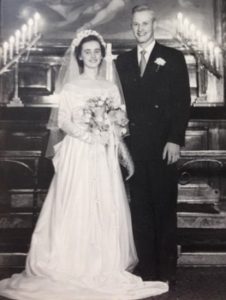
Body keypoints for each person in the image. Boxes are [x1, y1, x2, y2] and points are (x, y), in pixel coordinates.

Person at [0, 30, 168, 299]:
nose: (92, 56)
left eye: (96, 52)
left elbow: (119, 120)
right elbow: (64, 121)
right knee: (76, 203)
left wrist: (110, 129)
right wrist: (88, 134)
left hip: (102, 154)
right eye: (87, 52)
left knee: (105, 203)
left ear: (103, 55)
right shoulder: (71, 87)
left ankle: (105, 263)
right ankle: (70, 263)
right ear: (79, 55)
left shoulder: (110, 87)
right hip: (79, 151)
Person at [116, 5, 191, 286]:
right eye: (136, 24)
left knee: (164, 207)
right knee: (140, 210)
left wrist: (175, 139)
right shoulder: (121, 62)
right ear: (131, 26)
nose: (140, 29)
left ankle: (167, 269)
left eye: (145, 24)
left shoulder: (173, 57)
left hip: (163, 146)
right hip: (134, 148)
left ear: (154, 24)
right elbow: (117, 104)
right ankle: (146, 269)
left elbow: (182, 103)